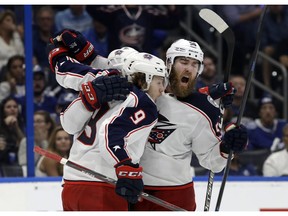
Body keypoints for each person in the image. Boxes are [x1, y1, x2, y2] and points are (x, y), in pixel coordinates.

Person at [129, 39, 248, 211]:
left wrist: (227, 146)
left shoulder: (204, 108)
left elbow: (212, 162)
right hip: (128, 188)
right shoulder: (143, 90)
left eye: (194, 65)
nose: (188, 68)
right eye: (183, 62)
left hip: (175, 194)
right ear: (169, 63)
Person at [18, 110, 56, 176]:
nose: (34, 125)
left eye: (39, 122)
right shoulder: (26, 142)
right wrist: (38, 142)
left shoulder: (57, 139)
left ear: (48, 125)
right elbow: (24, 166)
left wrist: (44, 142)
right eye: (33, 122)